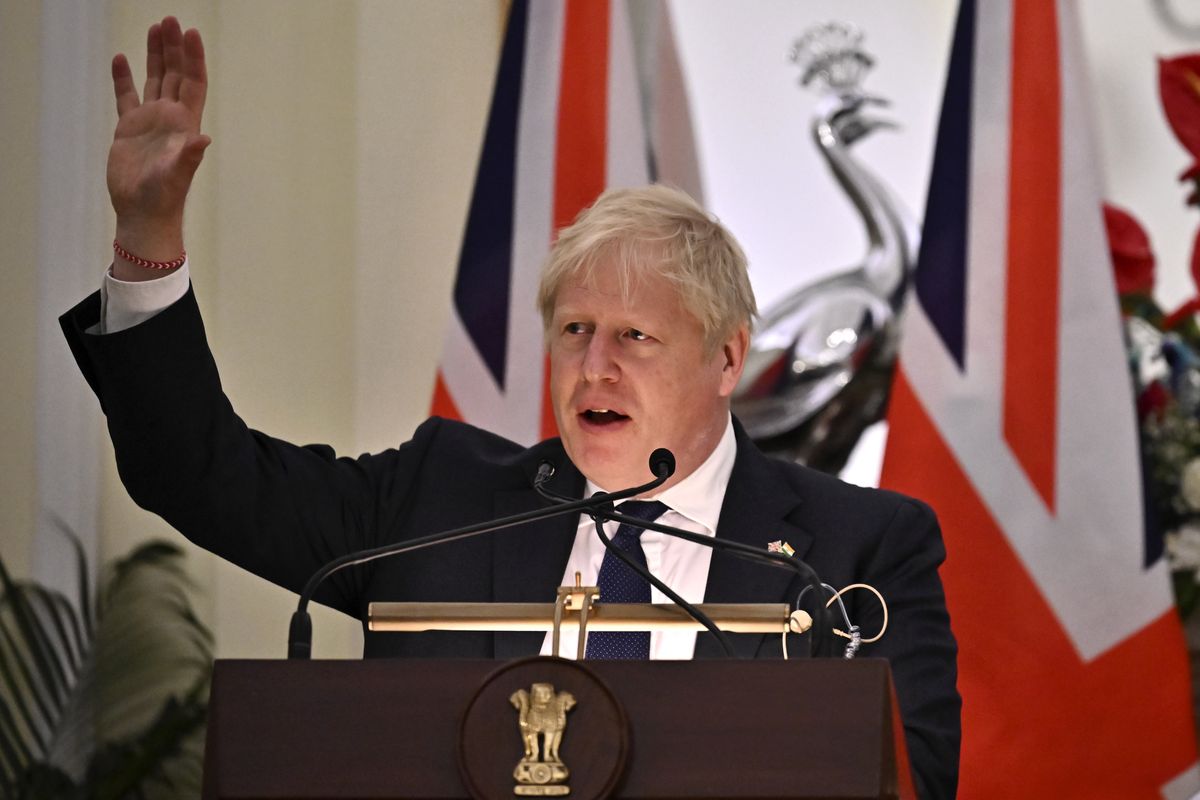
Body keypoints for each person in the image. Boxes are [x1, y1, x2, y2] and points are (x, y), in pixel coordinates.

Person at [60, 16, 960, 798]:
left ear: (727, 358)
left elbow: (914, 775)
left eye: (633, 339)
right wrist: (147, 243)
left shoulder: (860, 549)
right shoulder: (438, 504)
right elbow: (201, 474)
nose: (593, 368)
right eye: (574, 331)